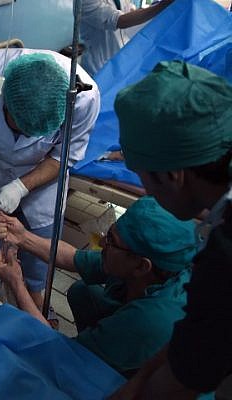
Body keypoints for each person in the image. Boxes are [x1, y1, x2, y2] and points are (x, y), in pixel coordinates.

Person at [107, 61, 232, 398]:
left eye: (144, 179)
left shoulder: (224, 261)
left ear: (173, 176)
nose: (148, 192)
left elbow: (182, 381)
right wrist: (141, 377)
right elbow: (190, 342)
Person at [0, 48, 100, 304]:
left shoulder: (84, 98)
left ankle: (35, 295)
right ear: (3, 99)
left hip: (44, 179)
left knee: (41, 243)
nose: (26, 138)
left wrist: (21, 186)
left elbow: (65, 156)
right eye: (20, 129)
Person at [0, 196, 197, 375]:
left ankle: (99, 363)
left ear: (142, 266)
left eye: (111, 240)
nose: (103, 243)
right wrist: (23, 236)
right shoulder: (156, 264)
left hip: (157, 380)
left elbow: (62, 353)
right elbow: (72, 257)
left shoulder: (151, 319)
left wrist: (17, 284)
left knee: (70, 364)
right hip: (138, 332)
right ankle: (96, 347)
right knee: (82, 292)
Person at [80, 0, 174, 76]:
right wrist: (161, 6)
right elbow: (120, 20)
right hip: (99, 67)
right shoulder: (85, 1)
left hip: (122, 60)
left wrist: (155, 6)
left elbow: (130, 13)